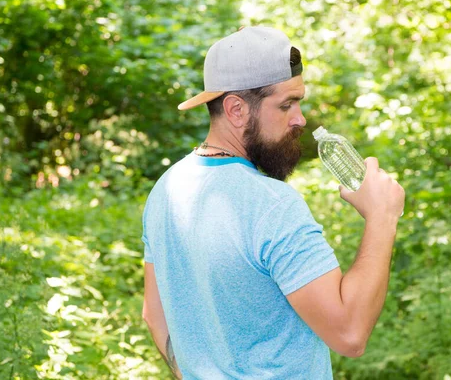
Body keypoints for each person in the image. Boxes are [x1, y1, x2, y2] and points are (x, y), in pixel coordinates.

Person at [141, 26, 405, 379]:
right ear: (236, 109)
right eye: (286, 105)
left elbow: (154, 317)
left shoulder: (166, 189)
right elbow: (350, 334)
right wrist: (382, 216)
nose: (300, 119)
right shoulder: (270, 203)